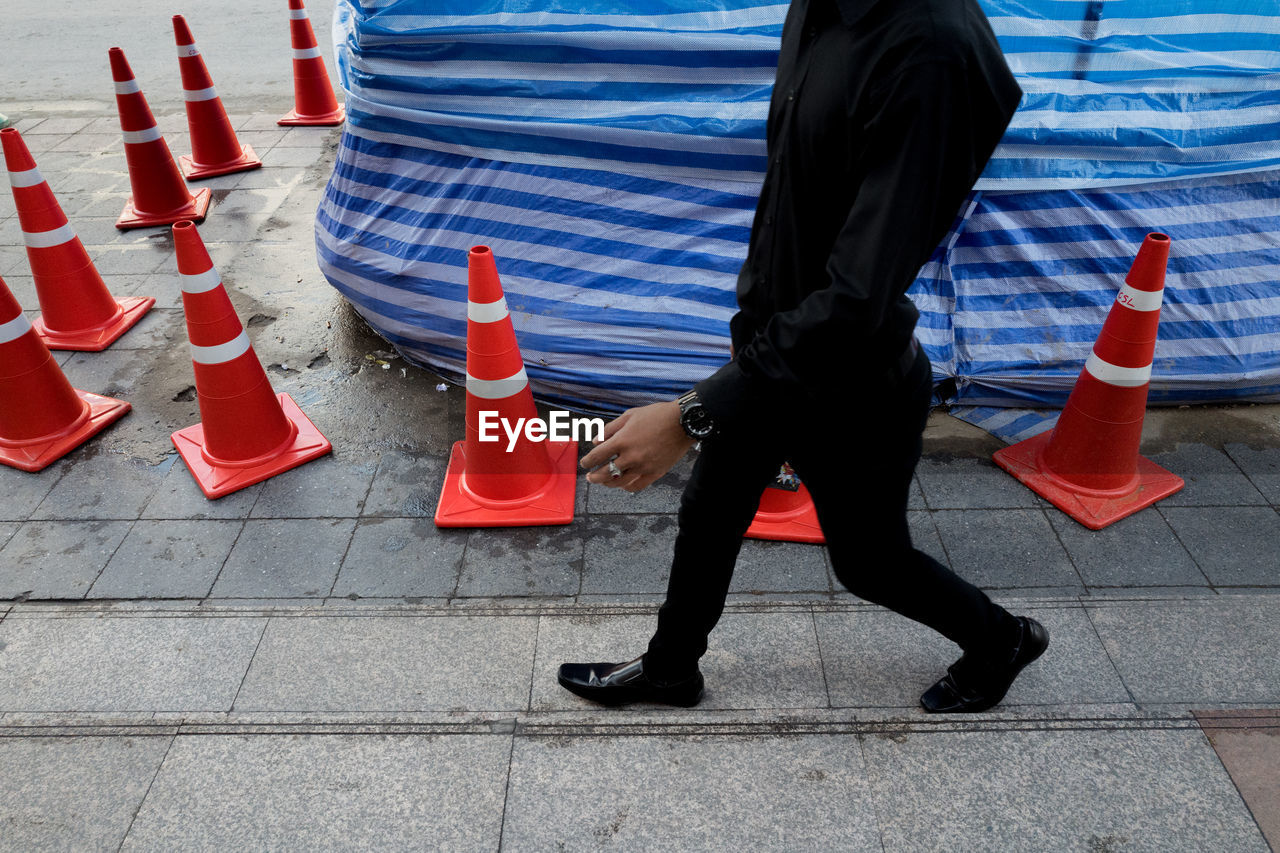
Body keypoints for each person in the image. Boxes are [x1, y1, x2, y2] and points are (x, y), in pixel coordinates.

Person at [558, 0, 1048, 713]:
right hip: (769, 355)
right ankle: (670, 668)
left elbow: (856, 295)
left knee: (870, 561)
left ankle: (1002, 638)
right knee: (711, 505)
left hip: (850, 380)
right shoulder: (820, 9)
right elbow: (800, 187)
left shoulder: (931, 50)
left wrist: (690, 413)